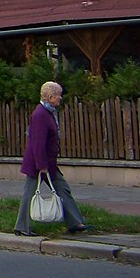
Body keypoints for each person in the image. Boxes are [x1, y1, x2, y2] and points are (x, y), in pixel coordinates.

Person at [14, 81, 91, 236]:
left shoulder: (48, 112)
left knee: (63, 189)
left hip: (49, 163)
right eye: (58, 96)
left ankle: (75, 223)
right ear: (50, 97)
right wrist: (41, 165)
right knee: (30, 194)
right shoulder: (40, 114)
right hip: (39, 164)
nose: (60, 98)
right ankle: (22, 226)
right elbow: (37, 142)